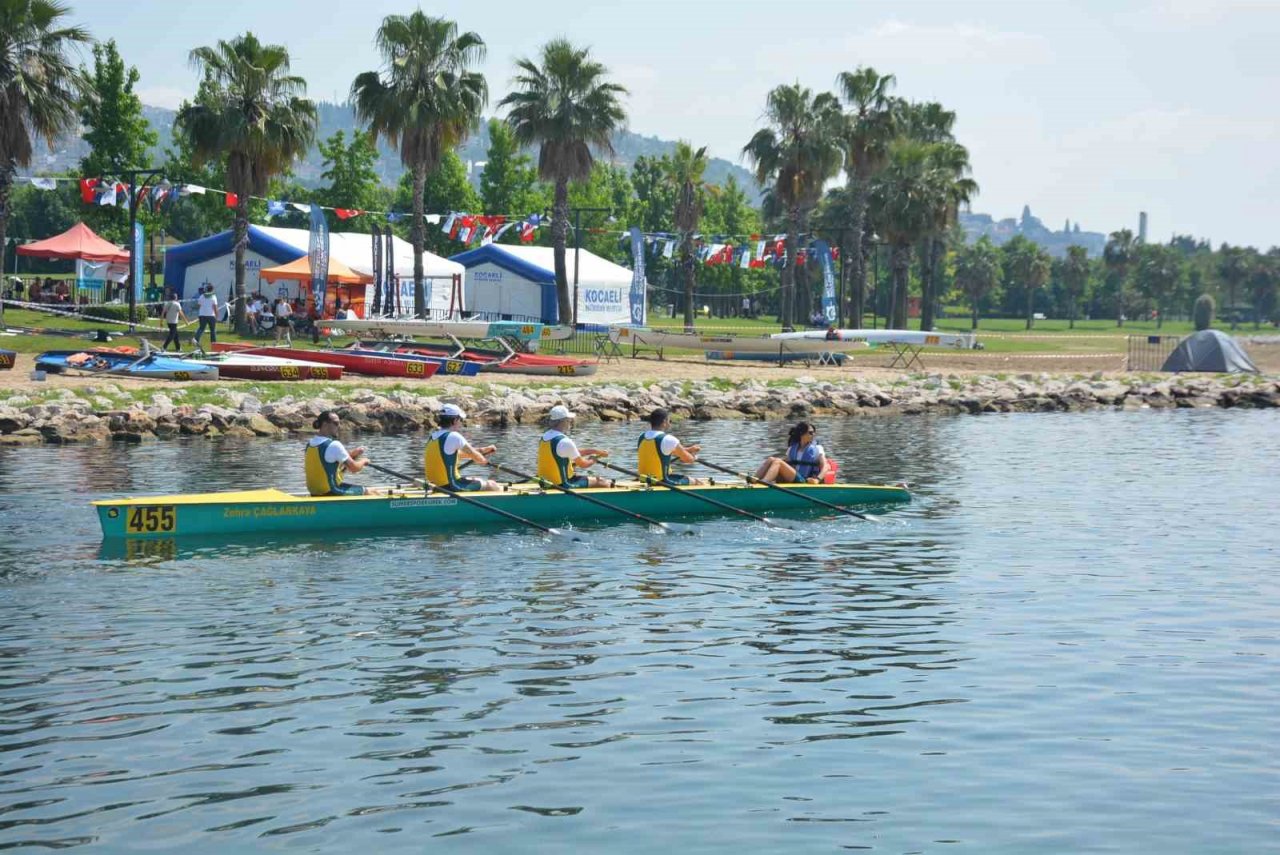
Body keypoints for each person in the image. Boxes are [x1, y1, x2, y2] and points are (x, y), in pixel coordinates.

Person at [424, 404, 500, 492]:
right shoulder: (454, 436)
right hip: (452, 486)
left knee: (474, 479)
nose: (461, 422)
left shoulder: (433, 437)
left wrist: (483, 450)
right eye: (460, 419)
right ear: (455, 420)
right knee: (492, 485)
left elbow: (459, 454)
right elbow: (477, 458)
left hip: (435, 485)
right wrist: (484, 460)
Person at [538, 405, 611, 488]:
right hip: (563, 485)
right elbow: (583, 464)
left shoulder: (545, 437)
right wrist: (594, 459)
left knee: (584, 476)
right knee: (603, 482)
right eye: (569, 420)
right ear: (563, 421)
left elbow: (573, 452)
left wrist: (595, 451)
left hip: (544, 483)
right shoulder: (565, 441)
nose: (570, 422)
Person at [305, 410, 376, 497]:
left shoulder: (310, 444)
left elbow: (332, 465)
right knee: (370, 492)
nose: (339, 426)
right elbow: (354, 468)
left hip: (315, 493)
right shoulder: (334, 445)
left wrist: (353, 454)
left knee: (371, 490)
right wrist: (364, 461)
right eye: (336, 423)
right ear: (325, 424)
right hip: (333, 491)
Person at [637, 408, 703, 486]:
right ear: (664, 422)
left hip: (644, 479)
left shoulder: (641, 437)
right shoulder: (668, 439)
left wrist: (690, 449)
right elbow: (687, 459)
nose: (670, 423)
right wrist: (694, 457)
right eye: (669, 420)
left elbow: (667, 450)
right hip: (662, 481)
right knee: (697, 482)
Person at [755, 421, 830, 484]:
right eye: (810, 433)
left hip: (804, 479)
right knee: (771, 459)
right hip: (793, 476)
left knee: (778, 462)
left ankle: (764, 483)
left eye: (814, 432)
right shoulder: (792, 448)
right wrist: (774, 462)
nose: (813, 435)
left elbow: (826, 466)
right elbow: (786, 462)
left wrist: (817, 479)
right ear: (802, 434)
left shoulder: (817, 448)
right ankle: (754, 480)